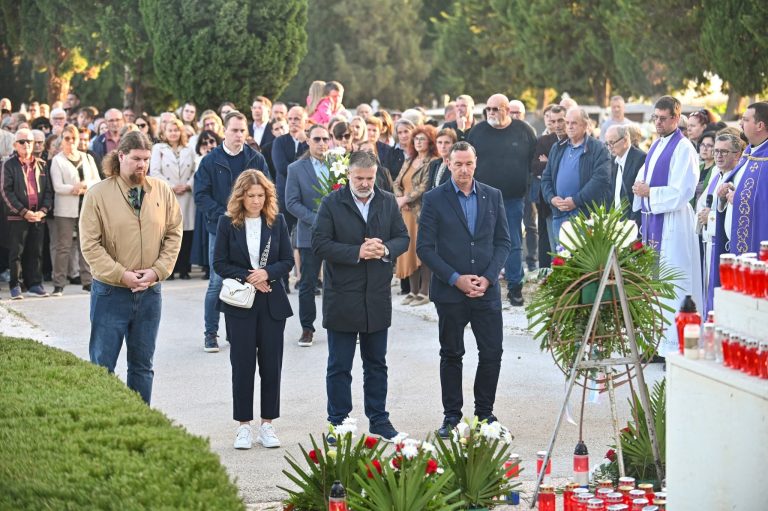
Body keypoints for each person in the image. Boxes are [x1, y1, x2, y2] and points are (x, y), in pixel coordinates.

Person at [416, 141, 511, 438]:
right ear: (448, 163)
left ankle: (484, 415)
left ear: (476, 162)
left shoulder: (492, 196)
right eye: (458, 164)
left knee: (492, 352)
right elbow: (424, 248)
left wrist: (490, 277)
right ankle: (452, 417)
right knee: (452, 353)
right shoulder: (434, 199)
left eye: (468, 163)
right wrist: (455, 278)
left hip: (487, 290)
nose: (464, 169)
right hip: (450, 292)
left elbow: (503, 242)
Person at [312, 151, 409, 441]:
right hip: (342, 294)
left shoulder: (387, 201)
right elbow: (319, 244)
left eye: (369, 178)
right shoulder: (332, 202)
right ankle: (338, 421)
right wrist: (357, 251)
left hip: (376, 295)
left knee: (376, 363)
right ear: (349, 176)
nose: (365, 184)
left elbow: (402, 238)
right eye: (359, 178)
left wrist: (386, 249)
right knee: (339, 364)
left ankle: (379, 420)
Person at [79, 131, 182, 404]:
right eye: (136, 158)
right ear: (121, 156)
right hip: (111, 293)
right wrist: (121, 274)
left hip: (150, 292)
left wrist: (158, 271)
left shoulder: (161, 190)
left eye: (146, 159)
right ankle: (103, 426)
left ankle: (139, 426)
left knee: (142, 367)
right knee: (102, 368)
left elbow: (174, 233)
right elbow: (90, 245)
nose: (142, 165)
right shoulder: (97, 194)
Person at [212, 170, 293, 450]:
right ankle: (243, 426)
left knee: (272, 366)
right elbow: (219, 263)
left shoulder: (277, 221)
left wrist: (267, 273)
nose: (256, 201)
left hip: (272, 303)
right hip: (240, 305)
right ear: (241, 196)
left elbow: (287, 261)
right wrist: (250, 276)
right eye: (251, 196)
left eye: (261, 195)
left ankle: (268, 425)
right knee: (242, 365)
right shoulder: (227, 223)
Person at [632, 95, 702, 357]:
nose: (658, 123)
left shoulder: (684, 149)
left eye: (663, 118)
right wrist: (640, 189)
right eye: (655, 118)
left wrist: (649, 191)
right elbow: (644, 178)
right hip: (654, 222)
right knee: (655, 285)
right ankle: (657, 344)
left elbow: (683, 191)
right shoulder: (657, 146)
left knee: (674, 282)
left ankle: (675, 345)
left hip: (674, 225)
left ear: (676, 118)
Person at [195, 111, 269, 353]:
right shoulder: (210, 161)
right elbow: (201, 195)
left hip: (251, 228)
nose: (239, 135)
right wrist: (223, 216)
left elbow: (268, 190)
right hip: (220, 228)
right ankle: (210, 333)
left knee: (247, 279)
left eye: (242, 131)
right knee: (217, 282)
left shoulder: (255, 159)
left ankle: (238, 331)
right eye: (234, 130)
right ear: (224, 131)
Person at [467, 93, 537, 307]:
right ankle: (483, 285)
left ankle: (515, 287)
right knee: (482, 242)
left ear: (507, 110)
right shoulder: (477, 132)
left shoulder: (524, 131)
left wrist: (528, 188)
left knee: (513, 243)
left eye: (495, 109)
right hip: (482, 197)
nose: (491, 113)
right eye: (488, 109)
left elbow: (533, 162)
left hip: (513, 198)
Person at [541, 107, 611, 249]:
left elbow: (600, 180)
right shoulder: (557, 147)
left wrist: (576, 200)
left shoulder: (598, 148)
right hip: (559, 214)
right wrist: (551, 198)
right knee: (562, 264)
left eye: (574, 123)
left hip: (583, 215)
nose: (569, 126)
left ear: (585, 125)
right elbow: (546, 178)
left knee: (582, 266)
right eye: (567, 123)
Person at [285, 125, 330, 347]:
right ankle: (307, 328)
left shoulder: (338, 165)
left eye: (325, 139)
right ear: (308, 141)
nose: (322, 143)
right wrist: (316, 219)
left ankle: (339, 324)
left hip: (336, 235)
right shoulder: (295, 168)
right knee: (308, 283)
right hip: (309, 233)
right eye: (317, 139)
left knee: (338, 282)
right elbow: (291, 202)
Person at [2, 128, 53, 299]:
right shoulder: (8, 165)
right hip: (18, 216)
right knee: (16, 252)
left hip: (38, 215)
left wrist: (42, 212)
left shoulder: (42, 164)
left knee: (36, 251)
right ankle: (15, 285)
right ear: (15, 145)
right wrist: (24, 212)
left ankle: (35, 284)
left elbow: (48, 192)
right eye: (22, 142)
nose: (26, 145)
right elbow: (6, 191)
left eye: (29, 141)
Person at [49, 125, 101, 296]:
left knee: (85, 245)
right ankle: (59, 284)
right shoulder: (57, 160)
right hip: (65, 209)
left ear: (79, 140)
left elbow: (97, 181)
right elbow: (57, 186)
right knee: (63, 246)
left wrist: (84, 185)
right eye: (67, 138)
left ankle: (88, 282)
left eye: (74, 138)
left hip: (85, 206)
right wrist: (74, 188)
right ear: (62, 140)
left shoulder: (87, 158)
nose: (71, 141)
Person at [700, 132, 744, 314]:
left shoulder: (737, 177)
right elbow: (704, 204)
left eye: (724, 152)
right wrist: (702, 215)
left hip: (723, 244)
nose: (718, 155)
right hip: (709, 241)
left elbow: (734, 214)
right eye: (716, 151)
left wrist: (708, 218)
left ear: (737, 154)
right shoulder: (717, 175)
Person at [393, 125, 438, 307]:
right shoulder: (409, 159)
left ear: (429, 141)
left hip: (421, 212)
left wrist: (405, 199)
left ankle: (424, 292)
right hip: (405, 213)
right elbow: (397, 181)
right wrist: (398, 197)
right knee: (408, 251)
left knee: (423, 251)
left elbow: (424, 186)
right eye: (416, 139)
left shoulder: (432, 161)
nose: (418, 142)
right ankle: (412, 291)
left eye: (422, 139)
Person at [151, 118, 196, 280]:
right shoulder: (158, 149)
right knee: (169, 233)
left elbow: (195, 171)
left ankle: (184, 269)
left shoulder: (189, 149)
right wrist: (170, 186)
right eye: (170, 130)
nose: (173, 133)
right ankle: (168, 269)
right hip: (167, 195)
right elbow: (154, 171)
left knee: (186, 234)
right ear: (164, 132)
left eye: (176, 130)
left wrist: (188, 185)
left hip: (186, 195)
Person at [604, 124, 646, 225]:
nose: (609, 147)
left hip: (633, 224)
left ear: (625, 140)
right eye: (607, 144)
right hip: (616, 222)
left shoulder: (640, 159)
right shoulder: (613, 160)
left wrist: (631, 223)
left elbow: (639, 199)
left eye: (612, 143)